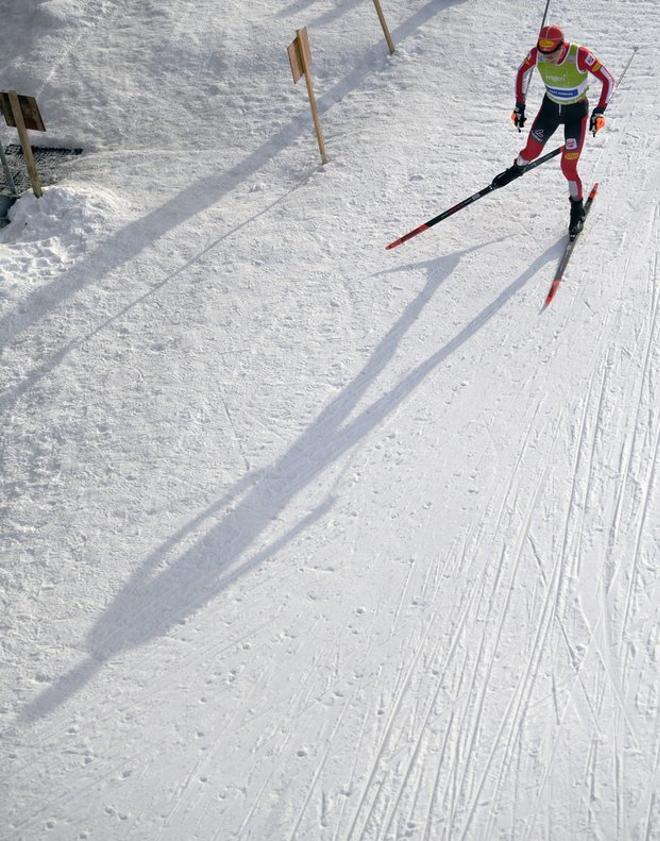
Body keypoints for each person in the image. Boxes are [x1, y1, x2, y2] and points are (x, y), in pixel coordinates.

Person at [492, 25, 615, 236]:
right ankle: (515, 169)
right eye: (542, 52)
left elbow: (608, 80)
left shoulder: (580, 56)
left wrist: (600, 111)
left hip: (576, 115)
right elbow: (522, 72)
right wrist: (519, 105)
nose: (546, 58)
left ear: (562, 46)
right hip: (549, 110)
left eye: (551, 53)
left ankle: (576, 208)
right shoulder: (537, 54)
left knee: (568, 166)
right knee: (530, 151)